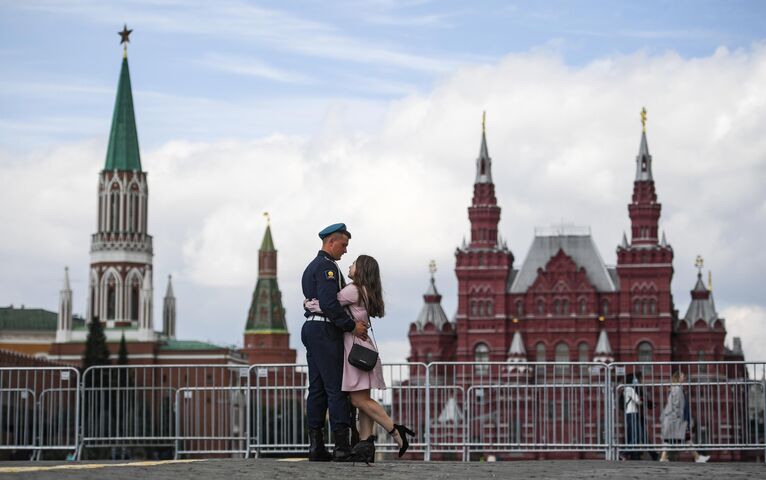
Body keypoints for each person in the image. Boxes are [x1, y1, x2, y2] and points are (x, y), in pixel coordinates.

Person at [305, 254, 416, 462]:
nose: (350, 265)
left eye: (354, 263)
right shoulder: (366, 291)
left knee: (358, 399)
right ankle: (366, 446)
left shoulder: (353, 290)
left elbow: (328, 305)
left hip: (355, 350)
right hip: (364, 350)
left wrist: (308, 304)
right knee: (363, 400)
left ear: (362, 269)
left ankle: (395, 430)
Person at [301, 223, 368, 462]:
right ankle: (342, 446)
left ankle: (316, 446)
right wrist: (351, 326)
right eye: (344, 244)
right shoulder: (328, 268)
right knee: (336, 388)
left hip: (312, 328)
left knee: (317, 389)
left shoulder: (312, 267)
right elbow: (330, 303)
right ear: (331, 242)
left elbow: (313, 300)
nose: (346, 250)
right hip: (325, 330)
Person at [659, 370, 710, 463]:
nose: (684, 377)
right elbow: (676, 405)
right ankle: (698, 458)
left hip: (674, 419)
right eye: (682, 376)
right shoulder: (678, 389)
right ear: (678, 378)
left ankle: (663, 457)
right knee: (686, 439)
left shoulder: (676, 388)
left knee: (675, 439)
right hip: (677, 419)